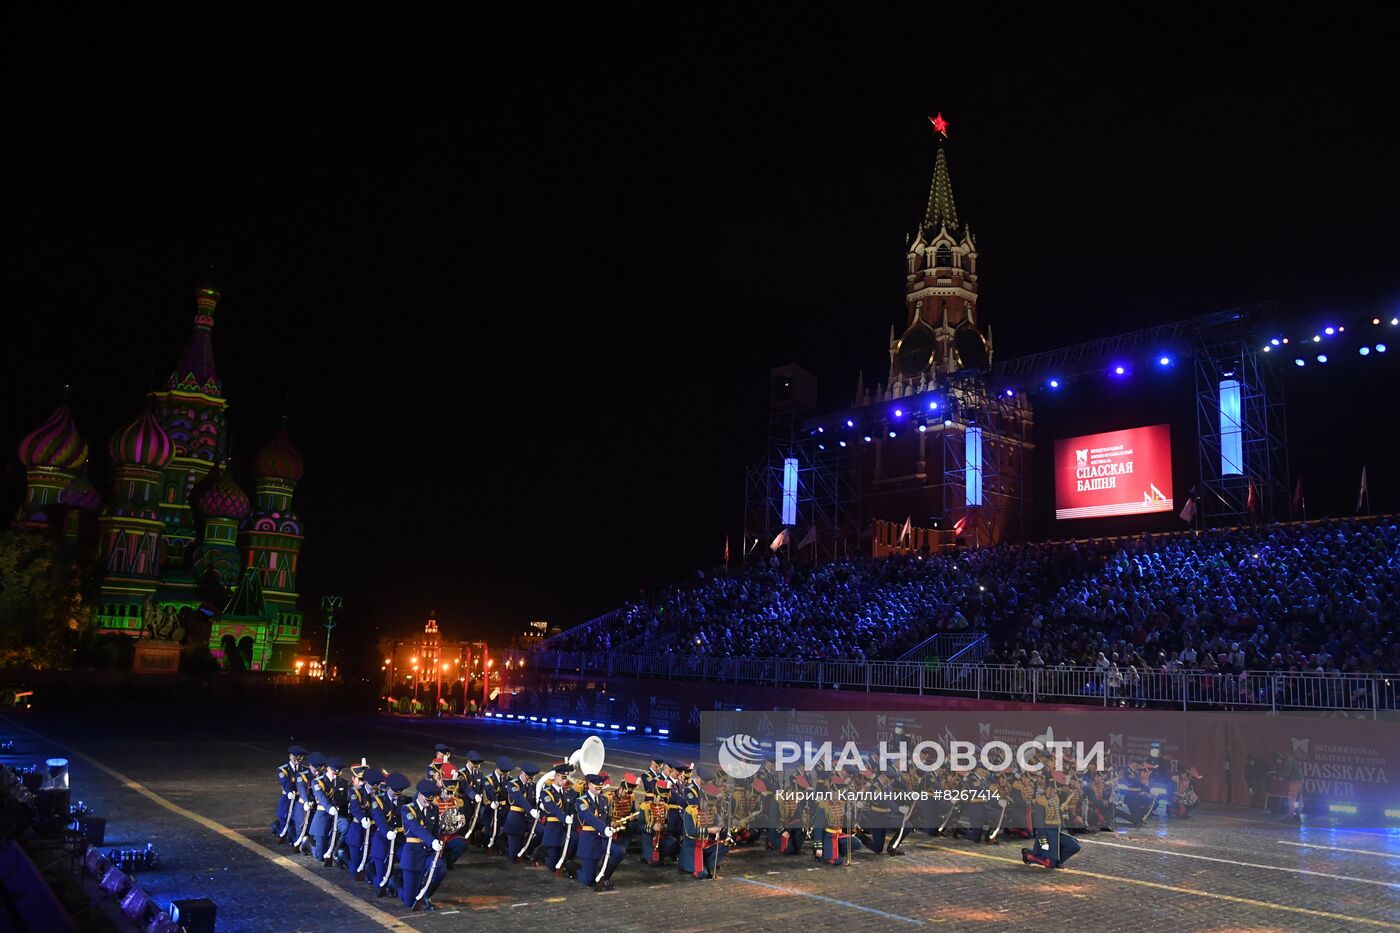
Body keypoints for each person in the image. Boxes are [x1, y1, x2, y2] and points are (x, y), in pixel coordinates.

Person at [399, 779, 447, 911]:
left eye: (431, 801)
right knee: (409, 901)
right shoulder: (407, 809)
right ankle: (395, 885)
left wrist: (437, 842)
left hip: (428, 853)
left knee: (440, 868)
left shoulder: (433, 809)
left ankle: (425, 894)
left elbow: (436, 829)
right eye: (426, 800)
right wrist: (432, 841)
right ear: (419, 795)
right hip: (413, 854)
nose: (428, 803)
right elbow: (416, 828)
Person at [575, 773, 626, 890]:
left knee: (619, 852)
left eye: (600, 787)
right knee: (589, 881)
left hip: (603, 839)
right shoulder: (581, 801)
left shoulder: (604, 800)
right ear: (589, 785)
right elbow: (590, 818)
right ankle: (573, 868)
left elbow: (606, 819)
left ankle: (604, 878)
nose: (599, 790)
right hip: (590, 840)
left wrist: (611, 826)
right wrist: (604, 828)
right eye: (597, 787)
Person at [1022, 772, 1081, 869]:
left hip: (1058, 833)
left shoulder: (1056, 799)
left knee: (1075, 846)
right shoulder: (1041, 801)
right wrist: (1043, 842)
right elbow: (1039, 826)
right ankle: (1028, 855)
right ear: (1048, 789)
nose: (1056, 792)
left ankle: (1057, 861)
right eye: (1054, 790)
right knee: (1049, 864)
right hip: (1047, 835)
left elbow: (1060, 819)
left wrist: (1065, 830)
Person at [368, 770, 405, 898]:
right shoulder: (377, 801)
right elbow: (380, 820)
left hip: (399, 839)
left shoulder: (402, 800)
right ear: (388, 788)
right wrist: (388, 832)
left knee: (407, 860)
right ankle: (376, 877)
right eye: (395, 793)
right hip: (383, 839)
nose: (397, 796)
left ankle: (393, 881)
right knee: (381, 878)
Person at [311, 757, 350, 867]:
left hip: (337, 816)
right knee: (320, 856)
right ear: (328, 769)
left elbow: (345, 801)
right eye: (333, 772)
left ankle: (334, 851)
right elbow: (321, 797)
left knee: (346, 827)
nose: (335, 774)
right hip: (323, 815)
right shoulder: (317, 782)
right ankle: (308, 844)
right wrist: (329, 808)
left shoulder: (343, 782)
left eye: (338, 772)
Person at [504, 762, 539, 864]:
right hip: (516, 820)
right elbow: (519, 798)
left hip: (528, 819)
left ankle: (527, 850)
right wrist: (531, 810)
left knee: (541, 831)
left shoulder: (532, 785)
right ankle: (502, 844)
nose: (530, 780)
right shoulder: (513, 784)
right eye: (528, 777)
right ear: (522, 773)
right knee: (514, 856)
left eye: (532, 778)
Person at [275, 745, 305, 839]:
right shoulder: (283, 769)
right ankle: (280, 832)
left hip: (299, 797)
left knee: (297, 818)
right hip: (287, 796)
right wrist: (289, 792)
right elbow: (285, 781)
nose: (297, 761)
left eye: (299, 759)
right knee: (283, 816)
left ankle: (293, 836)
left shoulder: (304, 769)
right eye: (295, 758)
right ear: (290, 756)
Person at [1270, 752, 1304, 822]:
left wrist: (1275, 773)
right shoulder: (1288, 759)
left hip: (1295, 781)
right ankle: (1297, 815)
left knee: (1292, 798)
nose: (1278, 763)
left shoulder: (1288, 761)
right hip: (1298, 780)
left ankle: (1291, 816)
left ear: (1279, 758)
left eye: (1278, 761)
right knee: (1297, 799)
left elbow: (1286, 773)